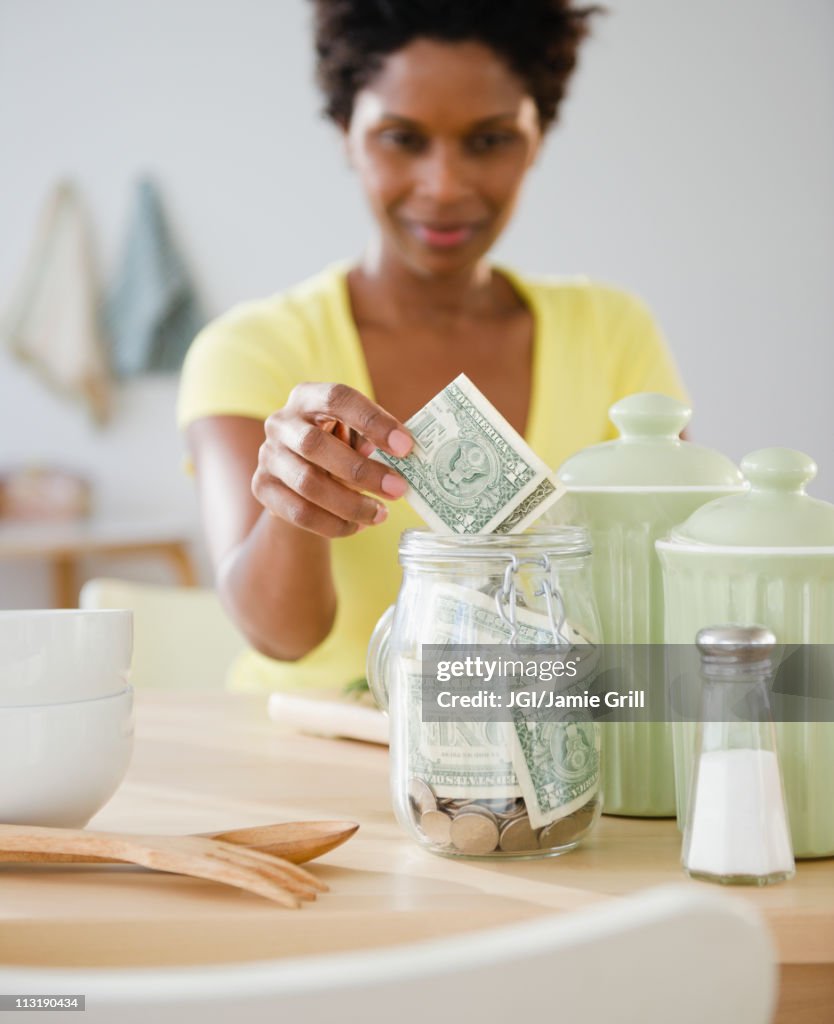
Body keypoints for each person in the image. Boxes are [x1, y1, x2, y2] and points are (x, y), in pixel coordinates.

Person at [177, 0, 688, 693]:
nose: (444, 187)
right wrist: (290, 503)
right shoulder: (250, 348)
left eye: (488, 140)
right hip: (305, 755)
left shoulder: (613, 329)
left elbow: (672, 583)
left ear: (538, 136)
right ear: (345, 133)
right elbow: (281, 638)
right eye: (402, 138)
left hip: (537, 770)